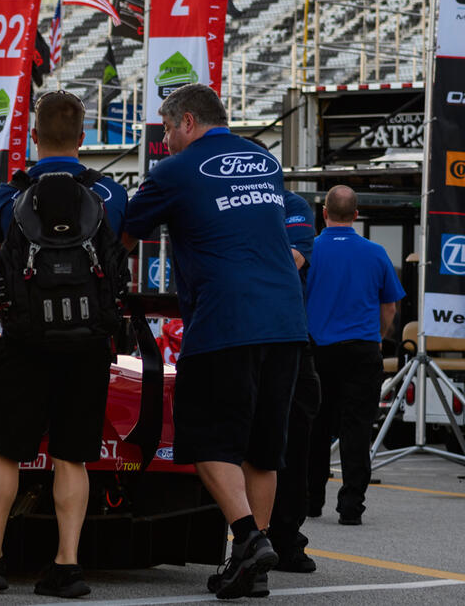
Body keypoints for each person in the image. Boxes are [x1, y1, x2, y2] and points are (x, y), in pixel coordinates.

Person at [121, 84, 307, 600]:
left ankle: (248, 539)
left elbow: (124, 234)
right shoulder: (262, 159)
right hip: (288, 320)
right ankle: (255, 566)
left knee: (205, 441)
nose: (163, 140)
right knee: (263, 452)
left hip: (227, 320)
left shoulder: (175, 171)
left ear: (186, 121)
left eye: (164, 129)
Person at [0, 91, 127, 599]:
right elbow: (120, 257)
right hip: (88, 341)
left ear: (34, 136)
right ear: (83, 137)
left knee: (6, 451)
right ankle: (67, 566)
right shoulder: (111, 195)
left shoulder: (9, 195)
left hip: (25, 340)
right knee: (73, 456)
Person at [306, 185, 404, 527]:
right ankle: (351, 506)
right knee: (357, 428)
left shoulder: (309, 250)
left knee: (315, 427)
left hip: (317, 350)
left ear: (324, 212)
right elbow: (389, 306)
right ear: (357, 215)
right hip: (362, 350)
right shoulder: (376, 253)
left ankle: (311, 500)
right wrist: (376, 337)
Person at [268, 190, 321, 573]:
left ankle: (286, 538)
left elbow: (293, 259)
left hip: (289, 336)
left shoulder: (292, 205)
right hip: (235, 333)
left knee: (294, 439)